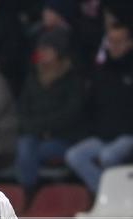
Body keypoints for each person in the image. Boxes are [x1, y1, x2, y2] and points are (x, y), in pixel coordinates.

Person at [64, 22, 133, 194]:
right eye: (111, 41)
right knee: (74, 155)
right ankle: (106, 193)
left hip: (131, 135)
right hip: (104, 136)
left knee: (108, 156)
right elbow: (90, 106)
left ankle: (120, 194)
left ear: (130, 43)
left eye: (119, 41)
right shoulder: (101, 72)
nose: (114, 46)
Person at [15, 28, 84, 193]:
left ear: (58, 52)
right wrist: (37, 129)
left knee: (32, 151)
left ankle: (30, 193)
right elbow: (23, 110)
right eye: (41, 49)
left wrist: (44, 128)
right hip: (35, 135)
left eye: (47, 49)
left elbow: (70, 114)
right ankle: (27, 190)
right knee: (24, 146)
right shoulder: (33, 78)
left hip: (65, 138)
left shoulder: (72, 80)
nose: (42, 53)